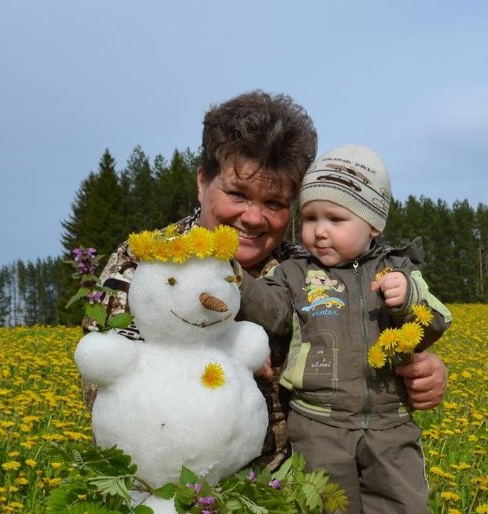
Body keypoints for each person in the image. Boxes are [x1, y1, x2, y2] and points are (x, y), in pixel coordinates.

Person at [83, 90, 448, 471]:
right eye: (237, 194)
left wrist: (421, 370)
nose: (254, 218)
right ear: (202, 180)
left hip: (296, 498)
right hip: (170, 486)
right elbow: (109, 393)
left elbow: (363, 344)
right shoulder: (147, 262)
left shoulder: (311, 271)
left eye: (274, 204)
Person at [237, 144, 457, 514]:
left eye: (336, 218)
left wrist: (410, 298)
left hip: (389, 421)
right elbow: (267, 310)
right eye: (309, 217)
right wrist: (232, 277)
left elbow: (435, 322)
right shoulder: (294, 273)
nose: (318, 230)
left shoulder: (397, 270)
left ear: (373, 224)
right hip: (317, 423)